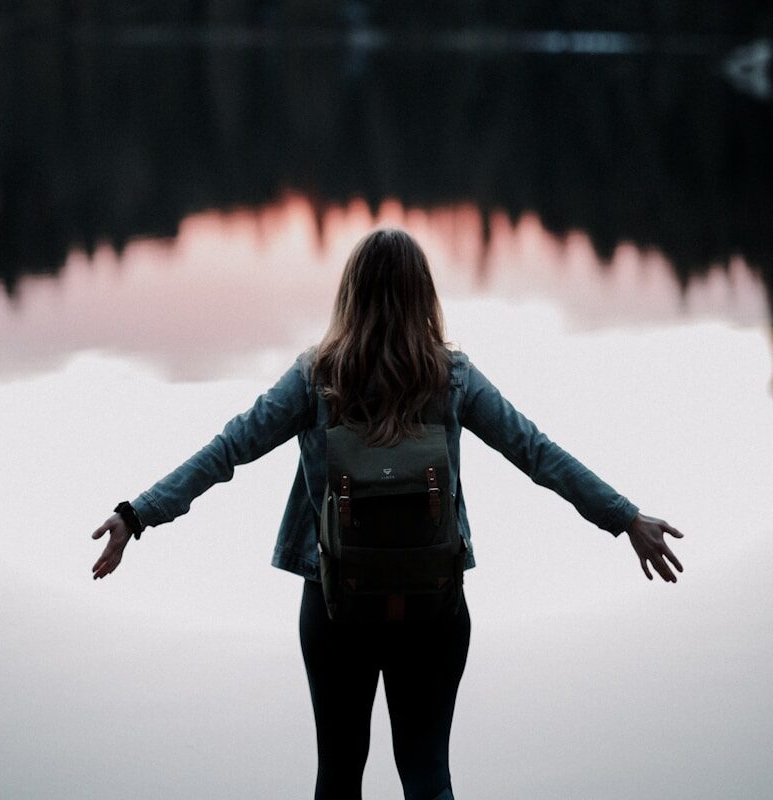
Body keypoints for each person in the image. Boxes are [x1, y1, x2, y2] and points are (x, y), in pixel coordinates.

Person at [91, 228, 683, 800]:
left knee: (339, 776)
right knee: (427, 775)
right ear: (423, 295)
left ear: (349, 294)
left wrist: (137, 514)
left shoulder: (316, 378)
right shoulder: (452, 377)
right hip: (433, 600)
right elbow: (535, 452)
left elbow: (228, 450)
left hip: (336, 602)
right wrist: (625, 518)